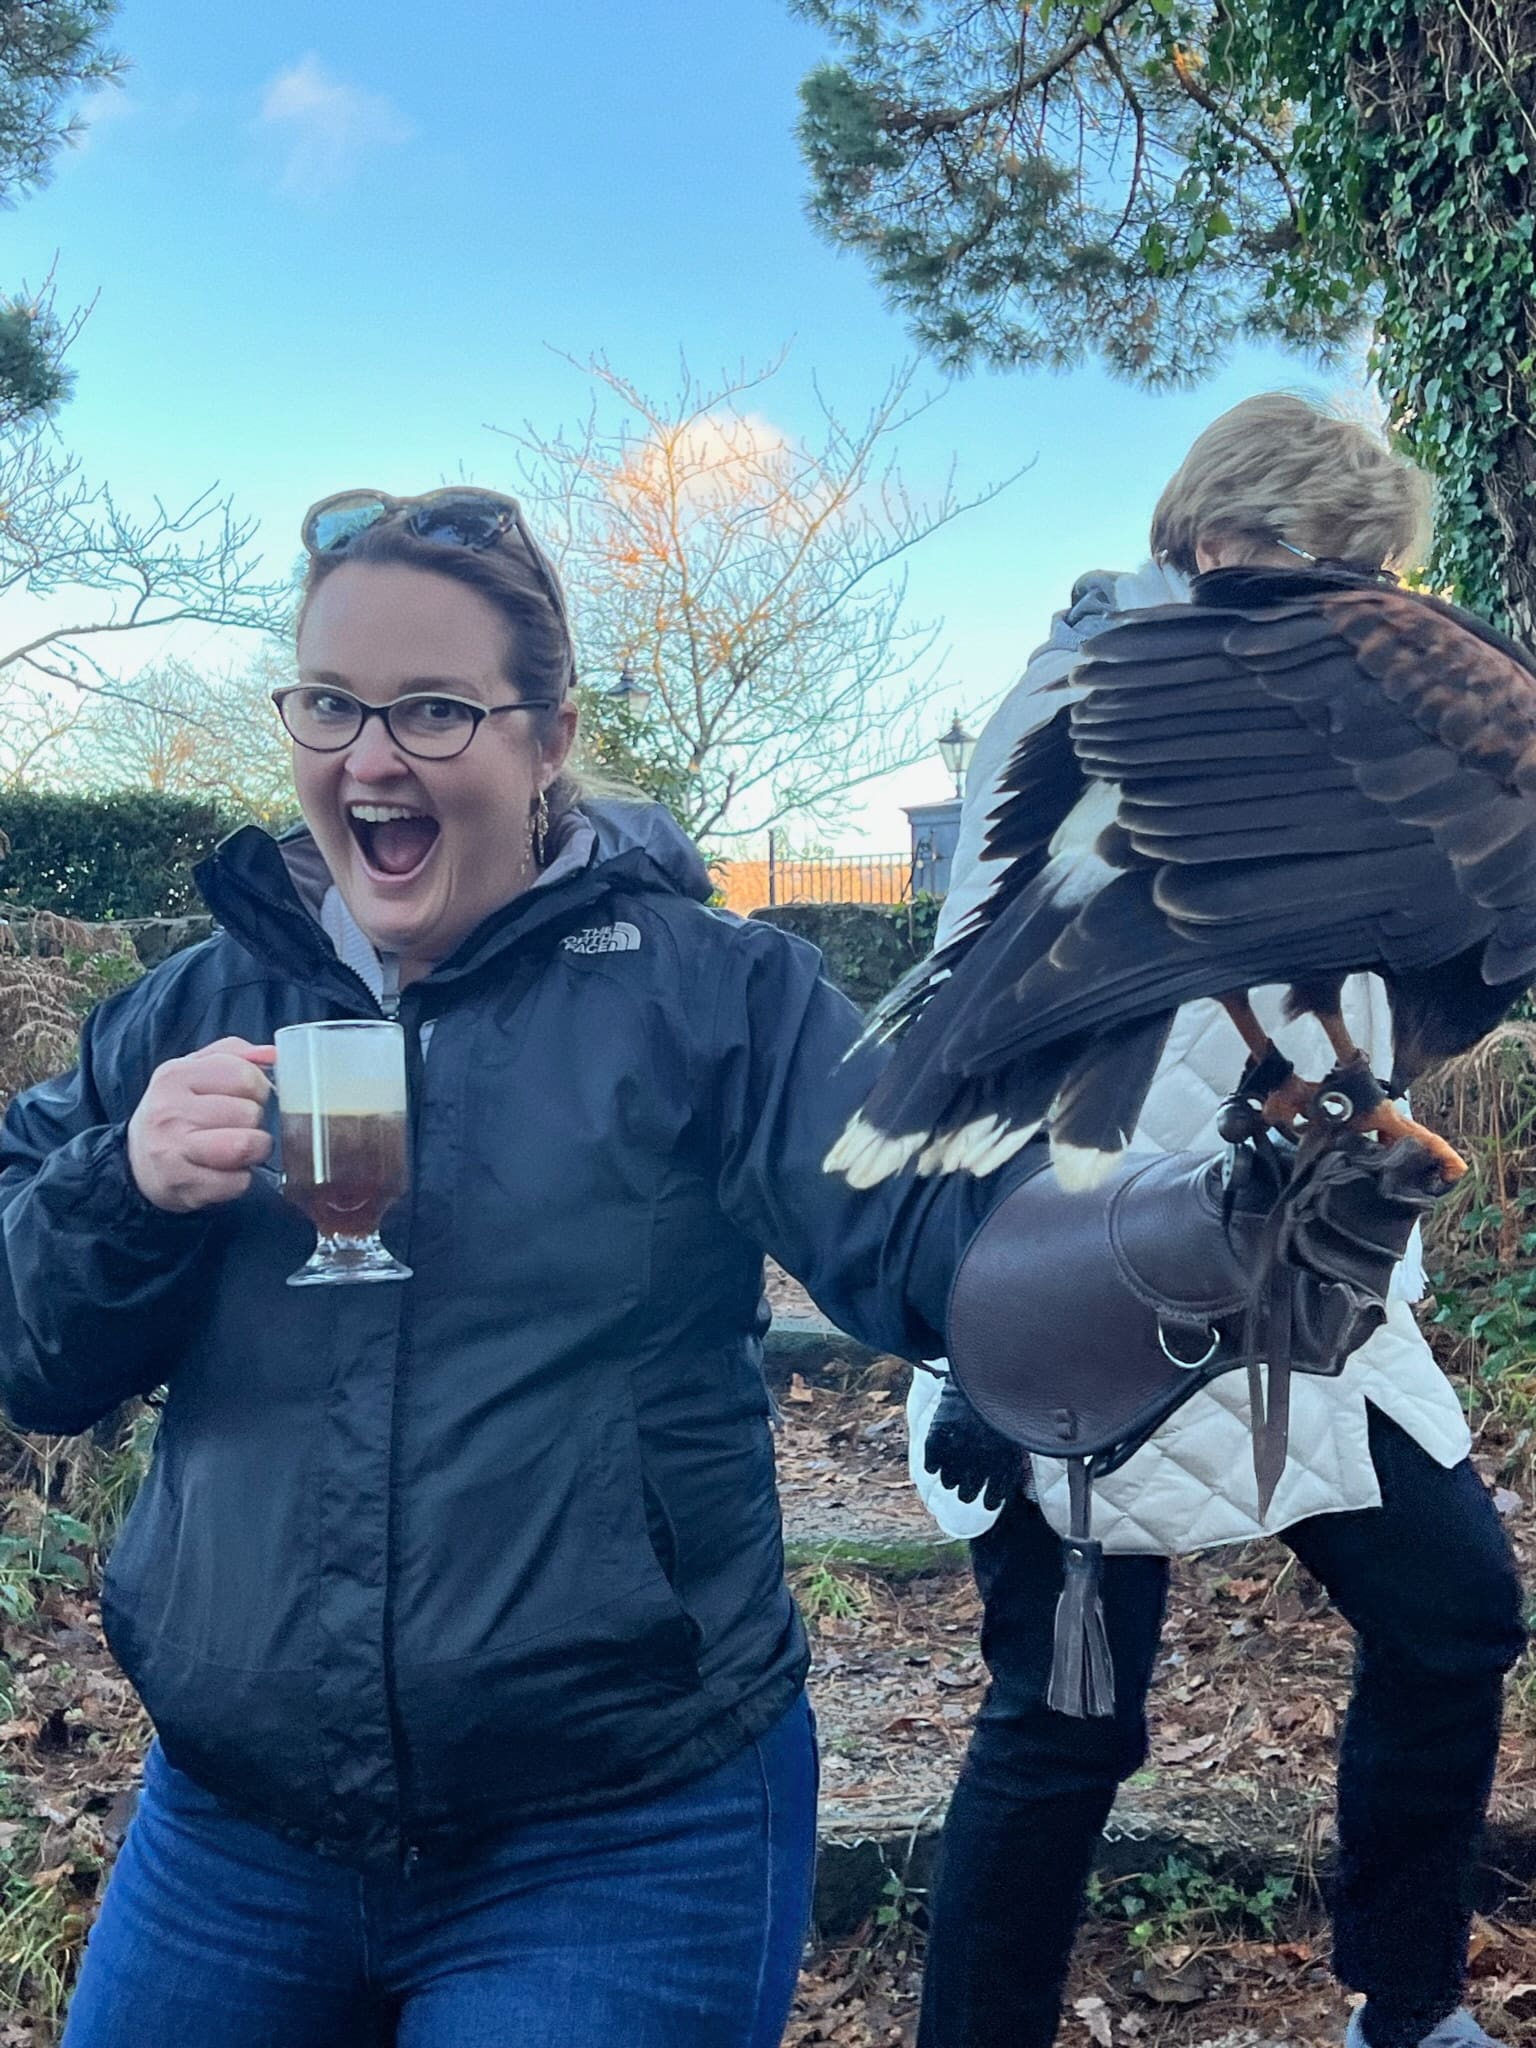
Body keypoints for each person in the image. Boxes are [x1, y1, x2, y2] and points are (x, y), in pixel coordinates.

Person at [912, 397, 1527, 2048]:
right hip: (1085, 1283)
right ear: (1204, 532)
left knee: (1459, 1613)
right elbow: (973, 1009)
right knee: (1063, 1730)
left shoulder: (1374, 715)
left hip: (1315, 1297)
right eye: (1295, 549)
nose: (1331, 590)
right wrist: (959, 1323)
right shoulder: (1085, 698)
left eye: (1363, 564)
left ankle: (1403, 2007)